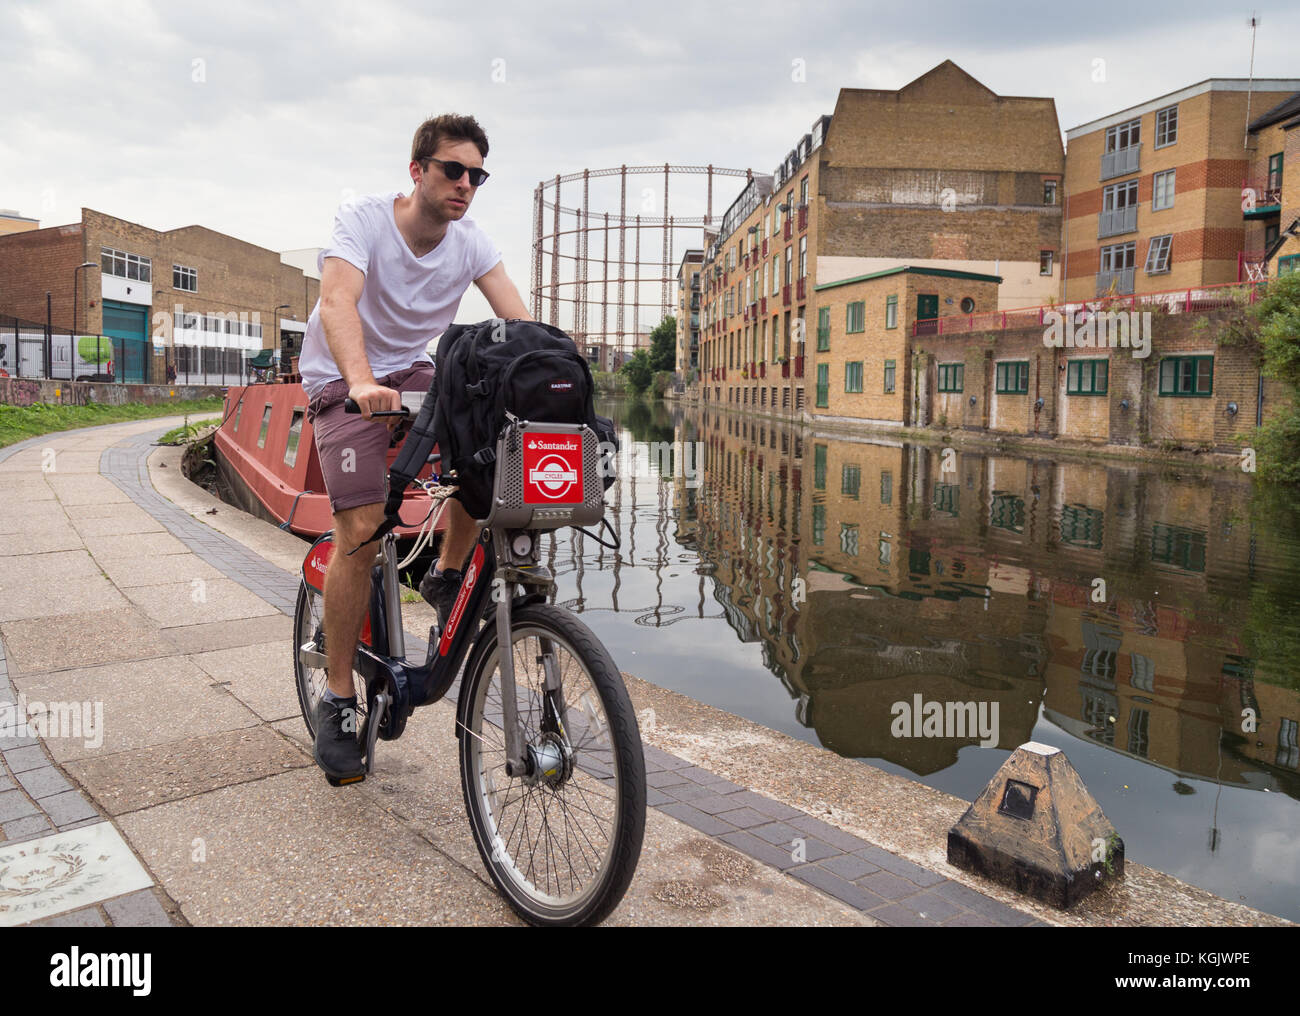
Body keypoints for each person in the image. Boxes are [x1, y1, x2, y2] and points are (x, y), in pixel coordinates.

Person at [300, 113, 531, 782]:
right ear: (418, 171)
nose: (465, 184)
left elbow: (517, 320)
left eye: (476, 175)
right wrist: (362, 381)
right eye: (452, 169)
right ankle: (339, 697)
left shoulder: (471, 242)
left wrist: (556, 374)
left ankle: (447, 575)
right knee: (364, 533)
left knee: (485, 447)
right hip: (344, 377)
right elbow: (339, 301)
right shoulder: (365, 219)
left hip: (414, 373)